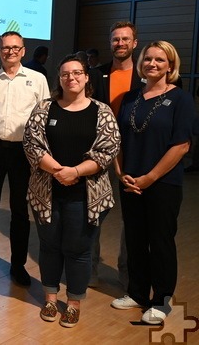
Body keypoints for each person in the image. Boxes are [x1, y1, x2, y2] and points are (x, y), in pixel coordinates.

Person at [24, 55, 120, 328]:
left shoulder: (101, 112)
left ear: (87, 77)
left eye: (77, 73)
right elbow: (32, 143)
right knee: (50, 246)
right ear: (59, 79)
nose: (71, 78)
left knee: (78, 249)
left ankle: (74, 303)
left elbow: (108, 149)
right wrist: (58, 171)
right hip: (47, 192)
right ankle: (51, 299)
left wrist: (75, 172)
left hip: (85, 195)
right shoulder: (45, 108)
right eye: (66, 74)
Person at [111, 41, 193, 325]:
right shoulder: (132, 97)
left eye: (160, 60)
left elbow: (181, 146)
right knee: (134, 239)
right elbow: (118, 140)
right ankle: (137, 292)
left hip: (163, 184)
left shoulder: (181, 99)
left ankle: (161, 300)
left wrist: (150, 178)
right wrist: (121, 173)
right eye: (148, 59)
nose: (152, 64)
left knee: (160, 241)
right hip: (131, 181)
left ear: (170, 65)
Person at [0, 31, 50, 286]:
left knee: (19, 212)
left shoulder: (37, 80)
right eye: (6, 48)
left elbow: (45, 119)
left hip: (24, 153)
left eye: (15, 47)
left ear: (23, 51)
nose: (10, 51)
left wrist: (41, 155)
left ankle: (18, 265)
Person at [90, 21, 143, 288]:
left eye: (125, 39)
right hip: (99, 153)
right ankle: (89, 271)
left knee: (131, 217)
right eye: (115, 40)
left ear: (134, 44)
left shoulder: (146, 76)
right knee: (93, 212)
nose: (119, 44)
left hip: (134, 155)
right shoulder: (96, 74)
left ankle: (128, 274)